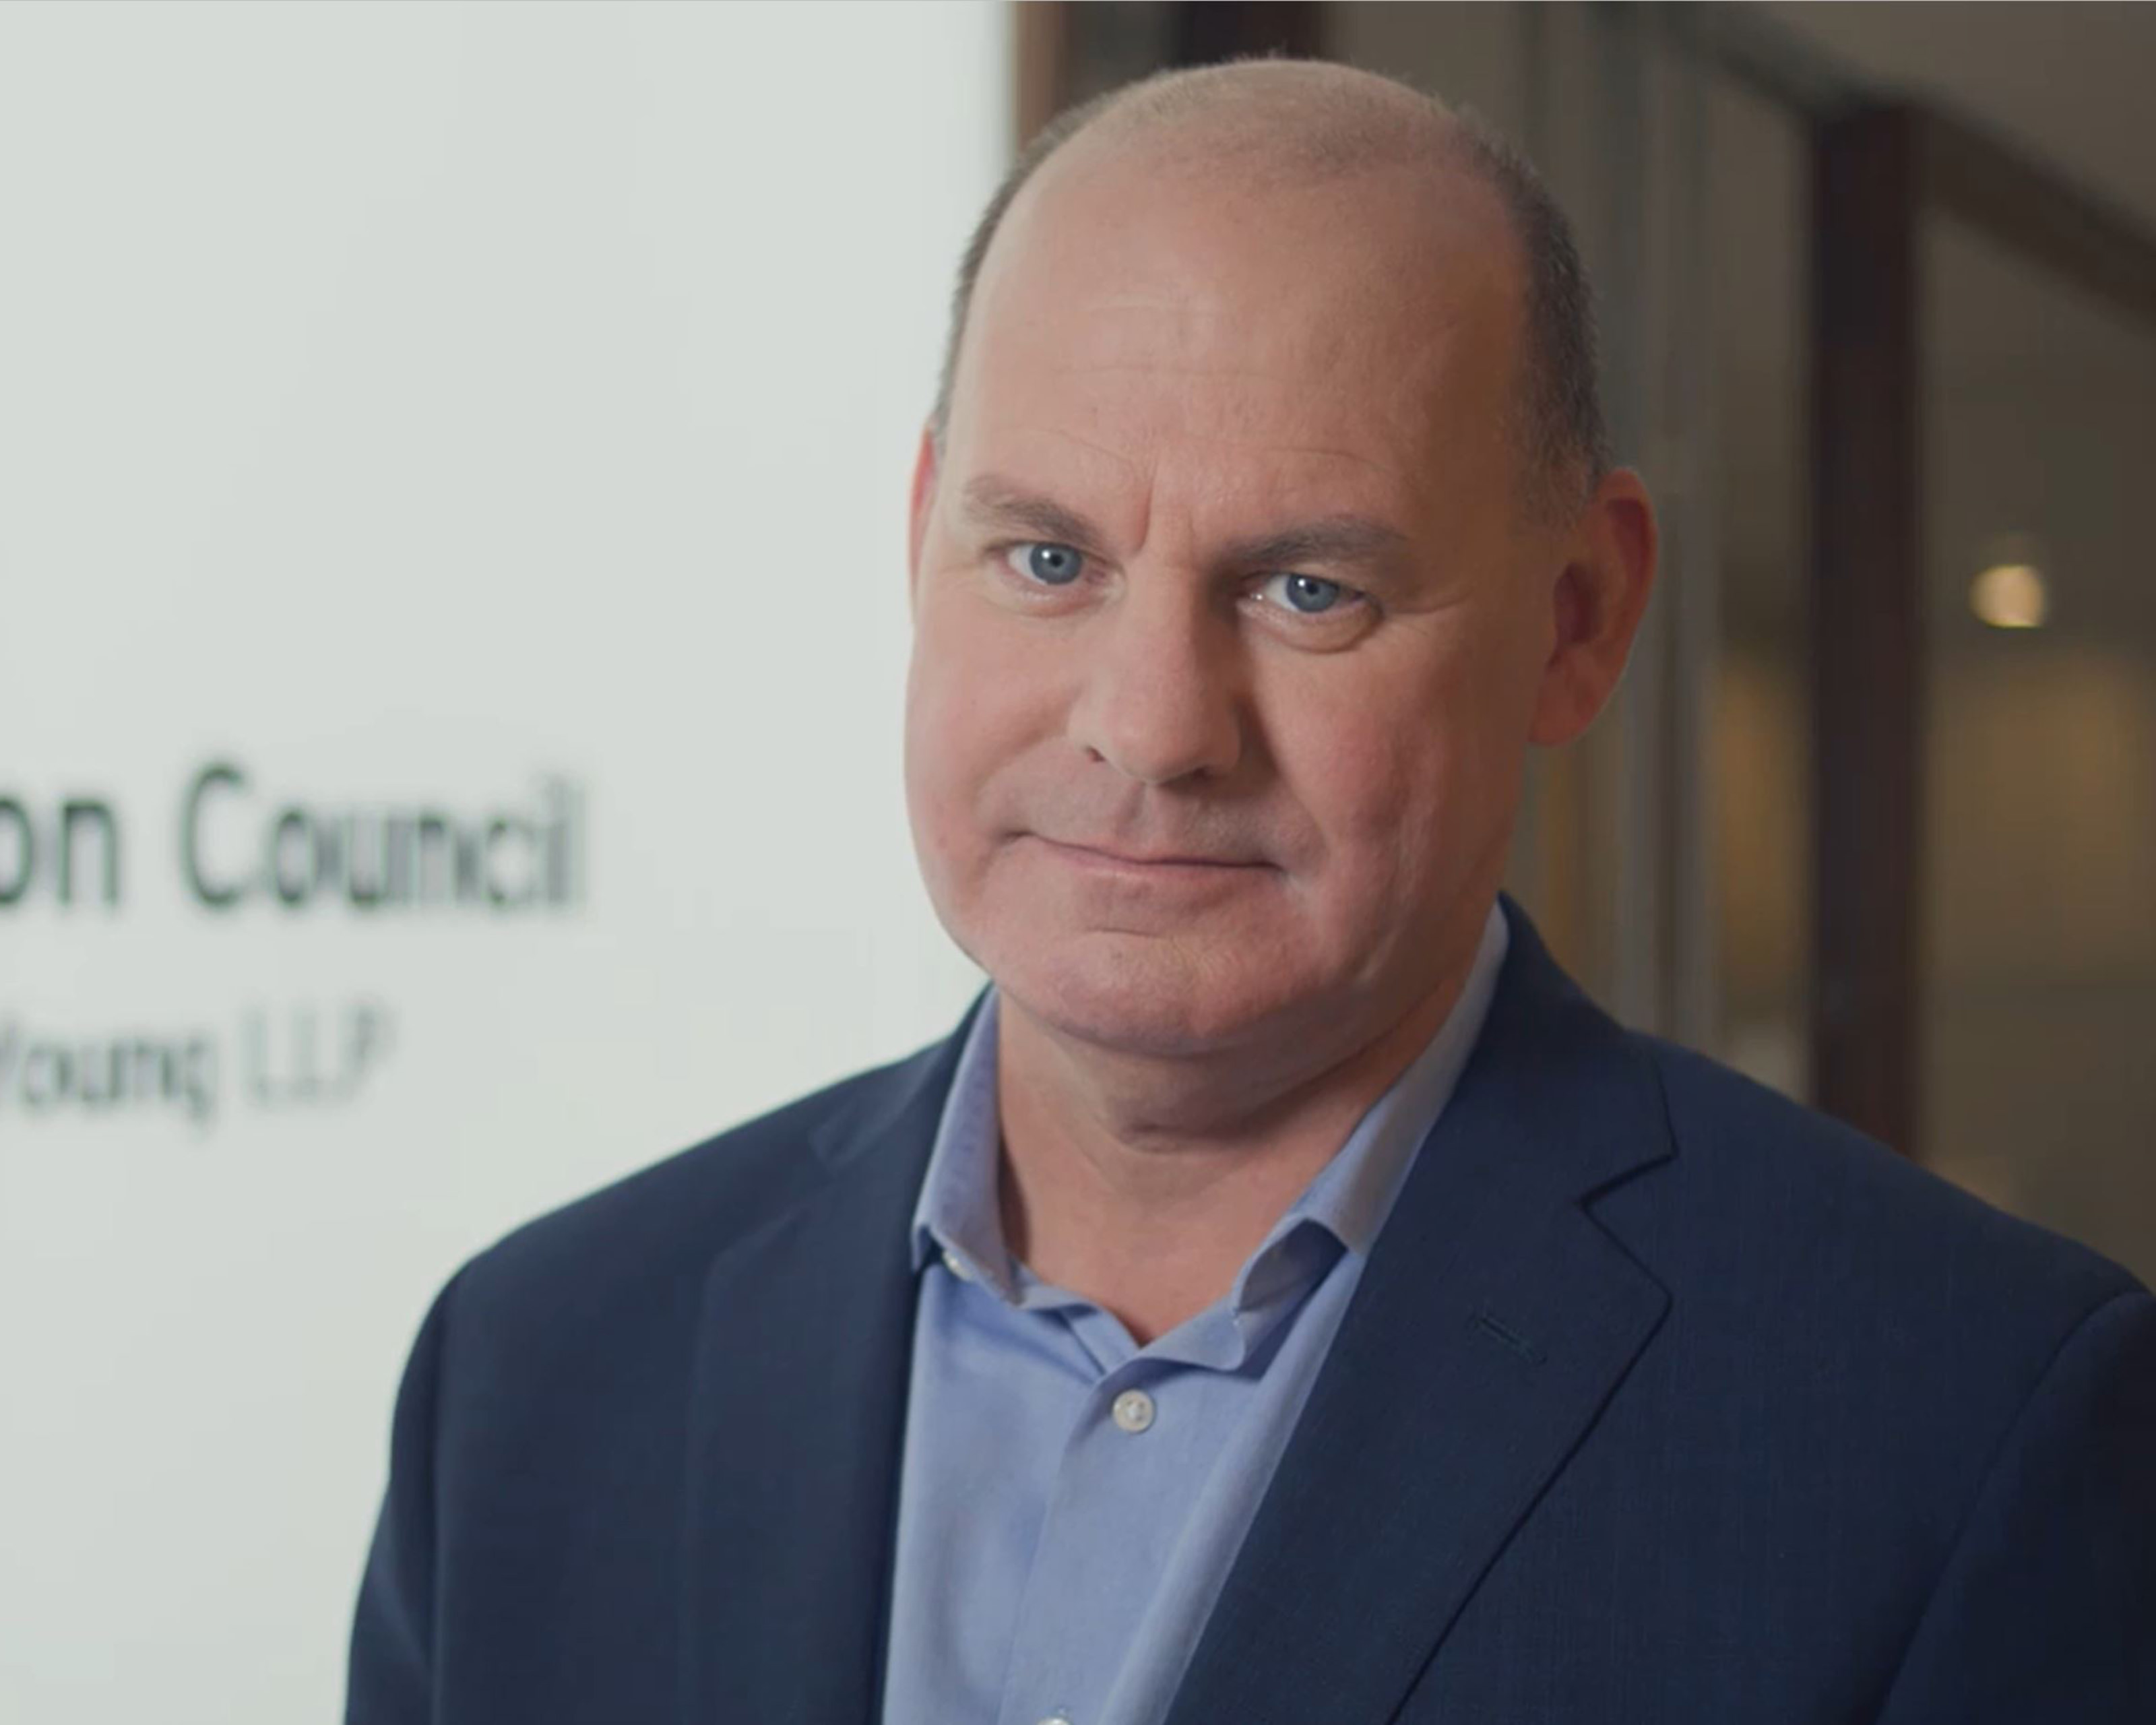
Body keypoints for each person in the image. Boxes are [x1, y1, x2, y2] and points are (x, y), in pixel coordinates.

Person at [345, 59, 2155, 1725]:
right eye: (1046, 558)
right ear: (921, 540)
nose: (1152, 728)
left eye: (1307, 591)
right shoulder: (534, 1376)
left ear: (1578, 621)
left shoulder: (1960, 1424)